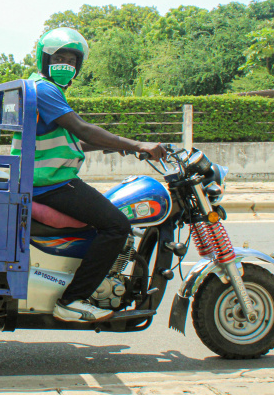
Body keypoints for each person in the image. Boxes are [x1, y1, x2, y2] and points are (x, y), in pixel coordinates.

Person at [11, 27, 165, 323]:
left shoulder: (35, 87)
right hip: (49, 183)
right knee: (117, 226)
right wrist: (136, 144)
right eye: (59, 57)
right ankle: (72, 300)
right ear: (44, 59)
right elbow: (81, 128)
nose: (65, 64)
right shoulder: (45, 90)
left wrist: (115, 147)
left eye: (71, 60)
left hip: (42, 177)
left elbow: (67, 140)